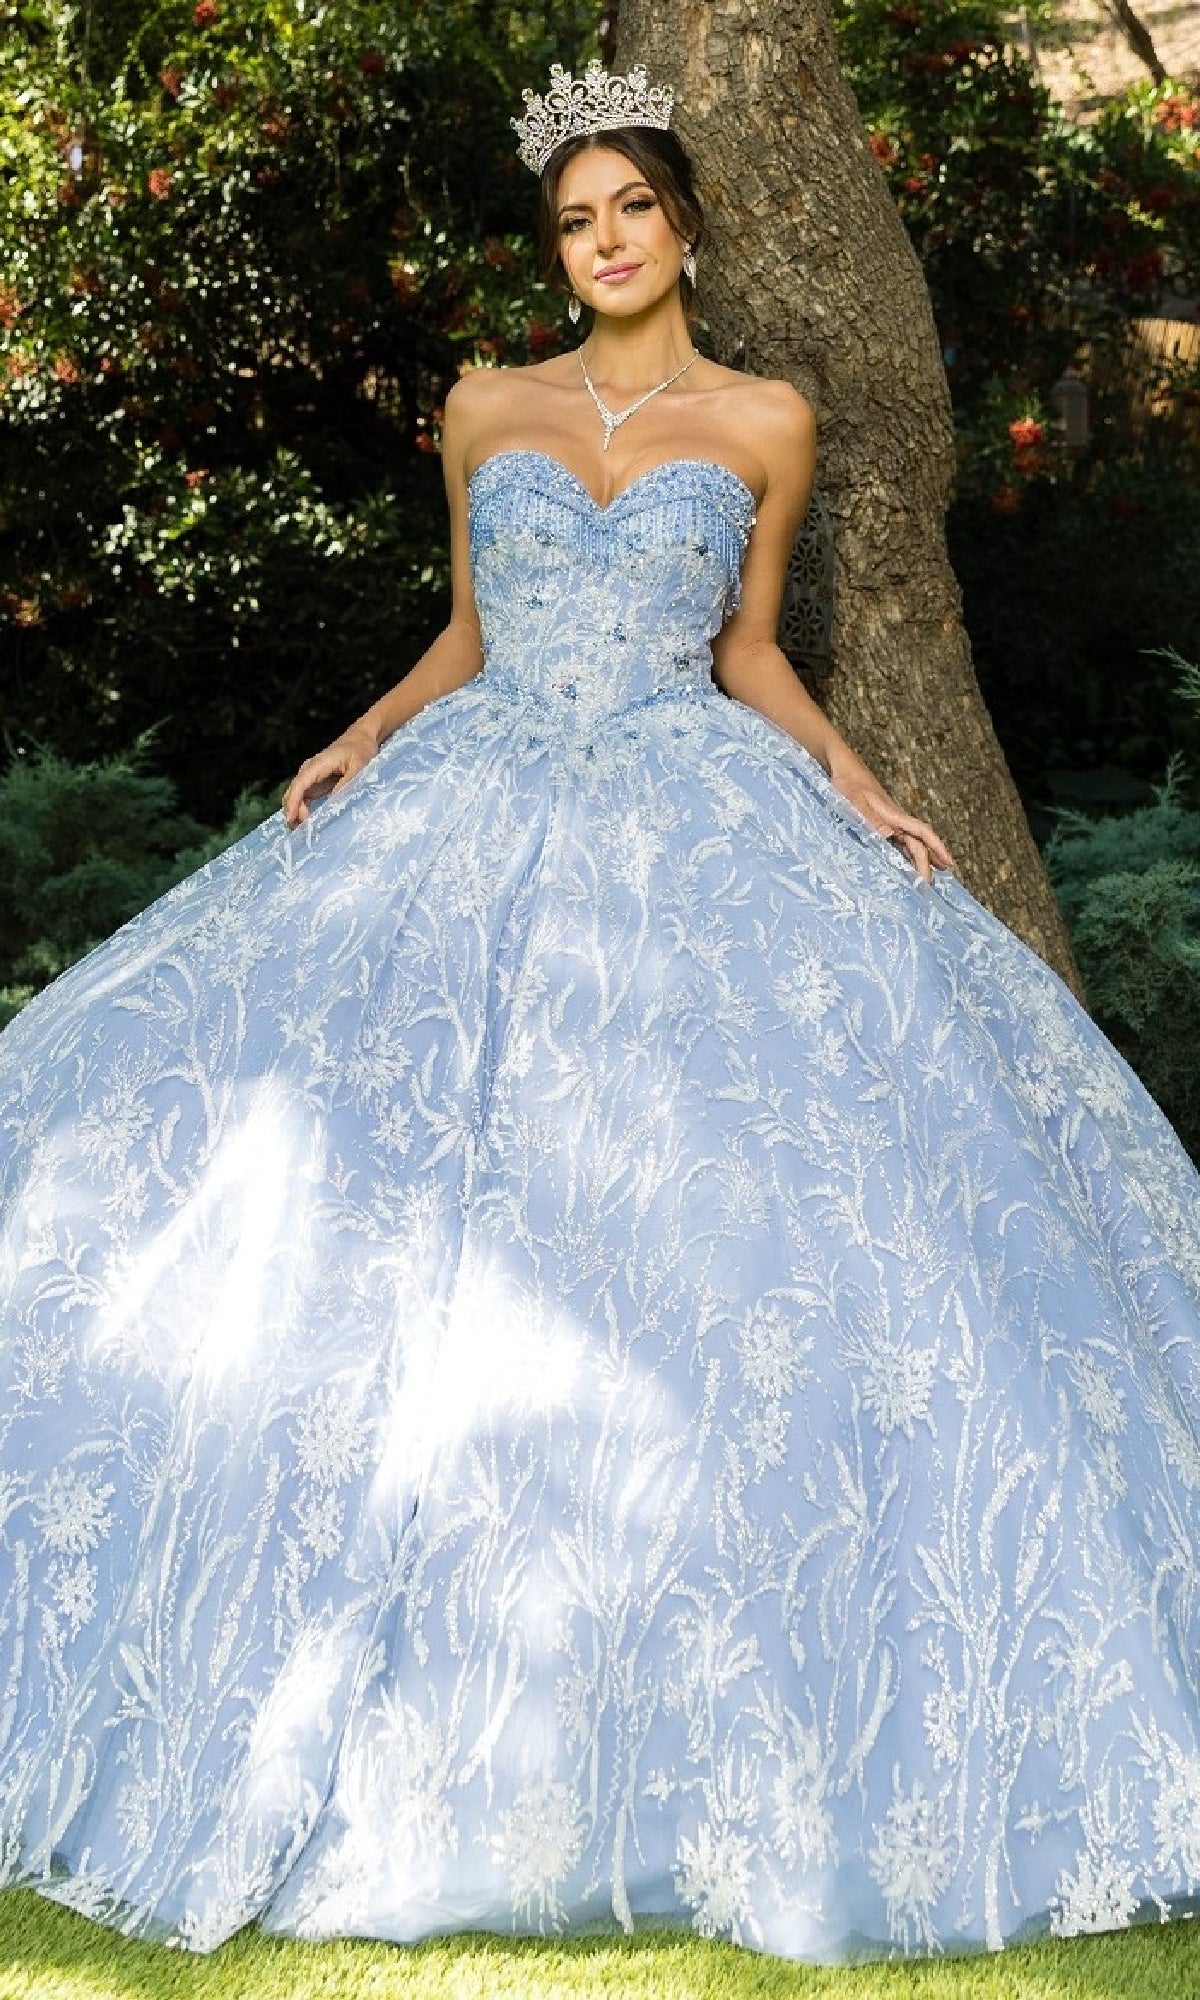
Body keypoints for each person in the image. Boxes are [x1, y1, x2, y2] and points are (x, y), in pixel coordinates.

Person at [1, 56, 1200, 1971]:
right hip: (477, 787)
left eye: (629, 206)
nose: (603, 242)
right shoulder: (487, 404)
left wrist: (862, 786)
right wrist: (363, 732)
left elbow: (744, 655)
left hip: (689, 798)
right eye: (574, 219)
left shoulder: (767, 418)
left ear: (688, 223)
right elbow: (473, 632)